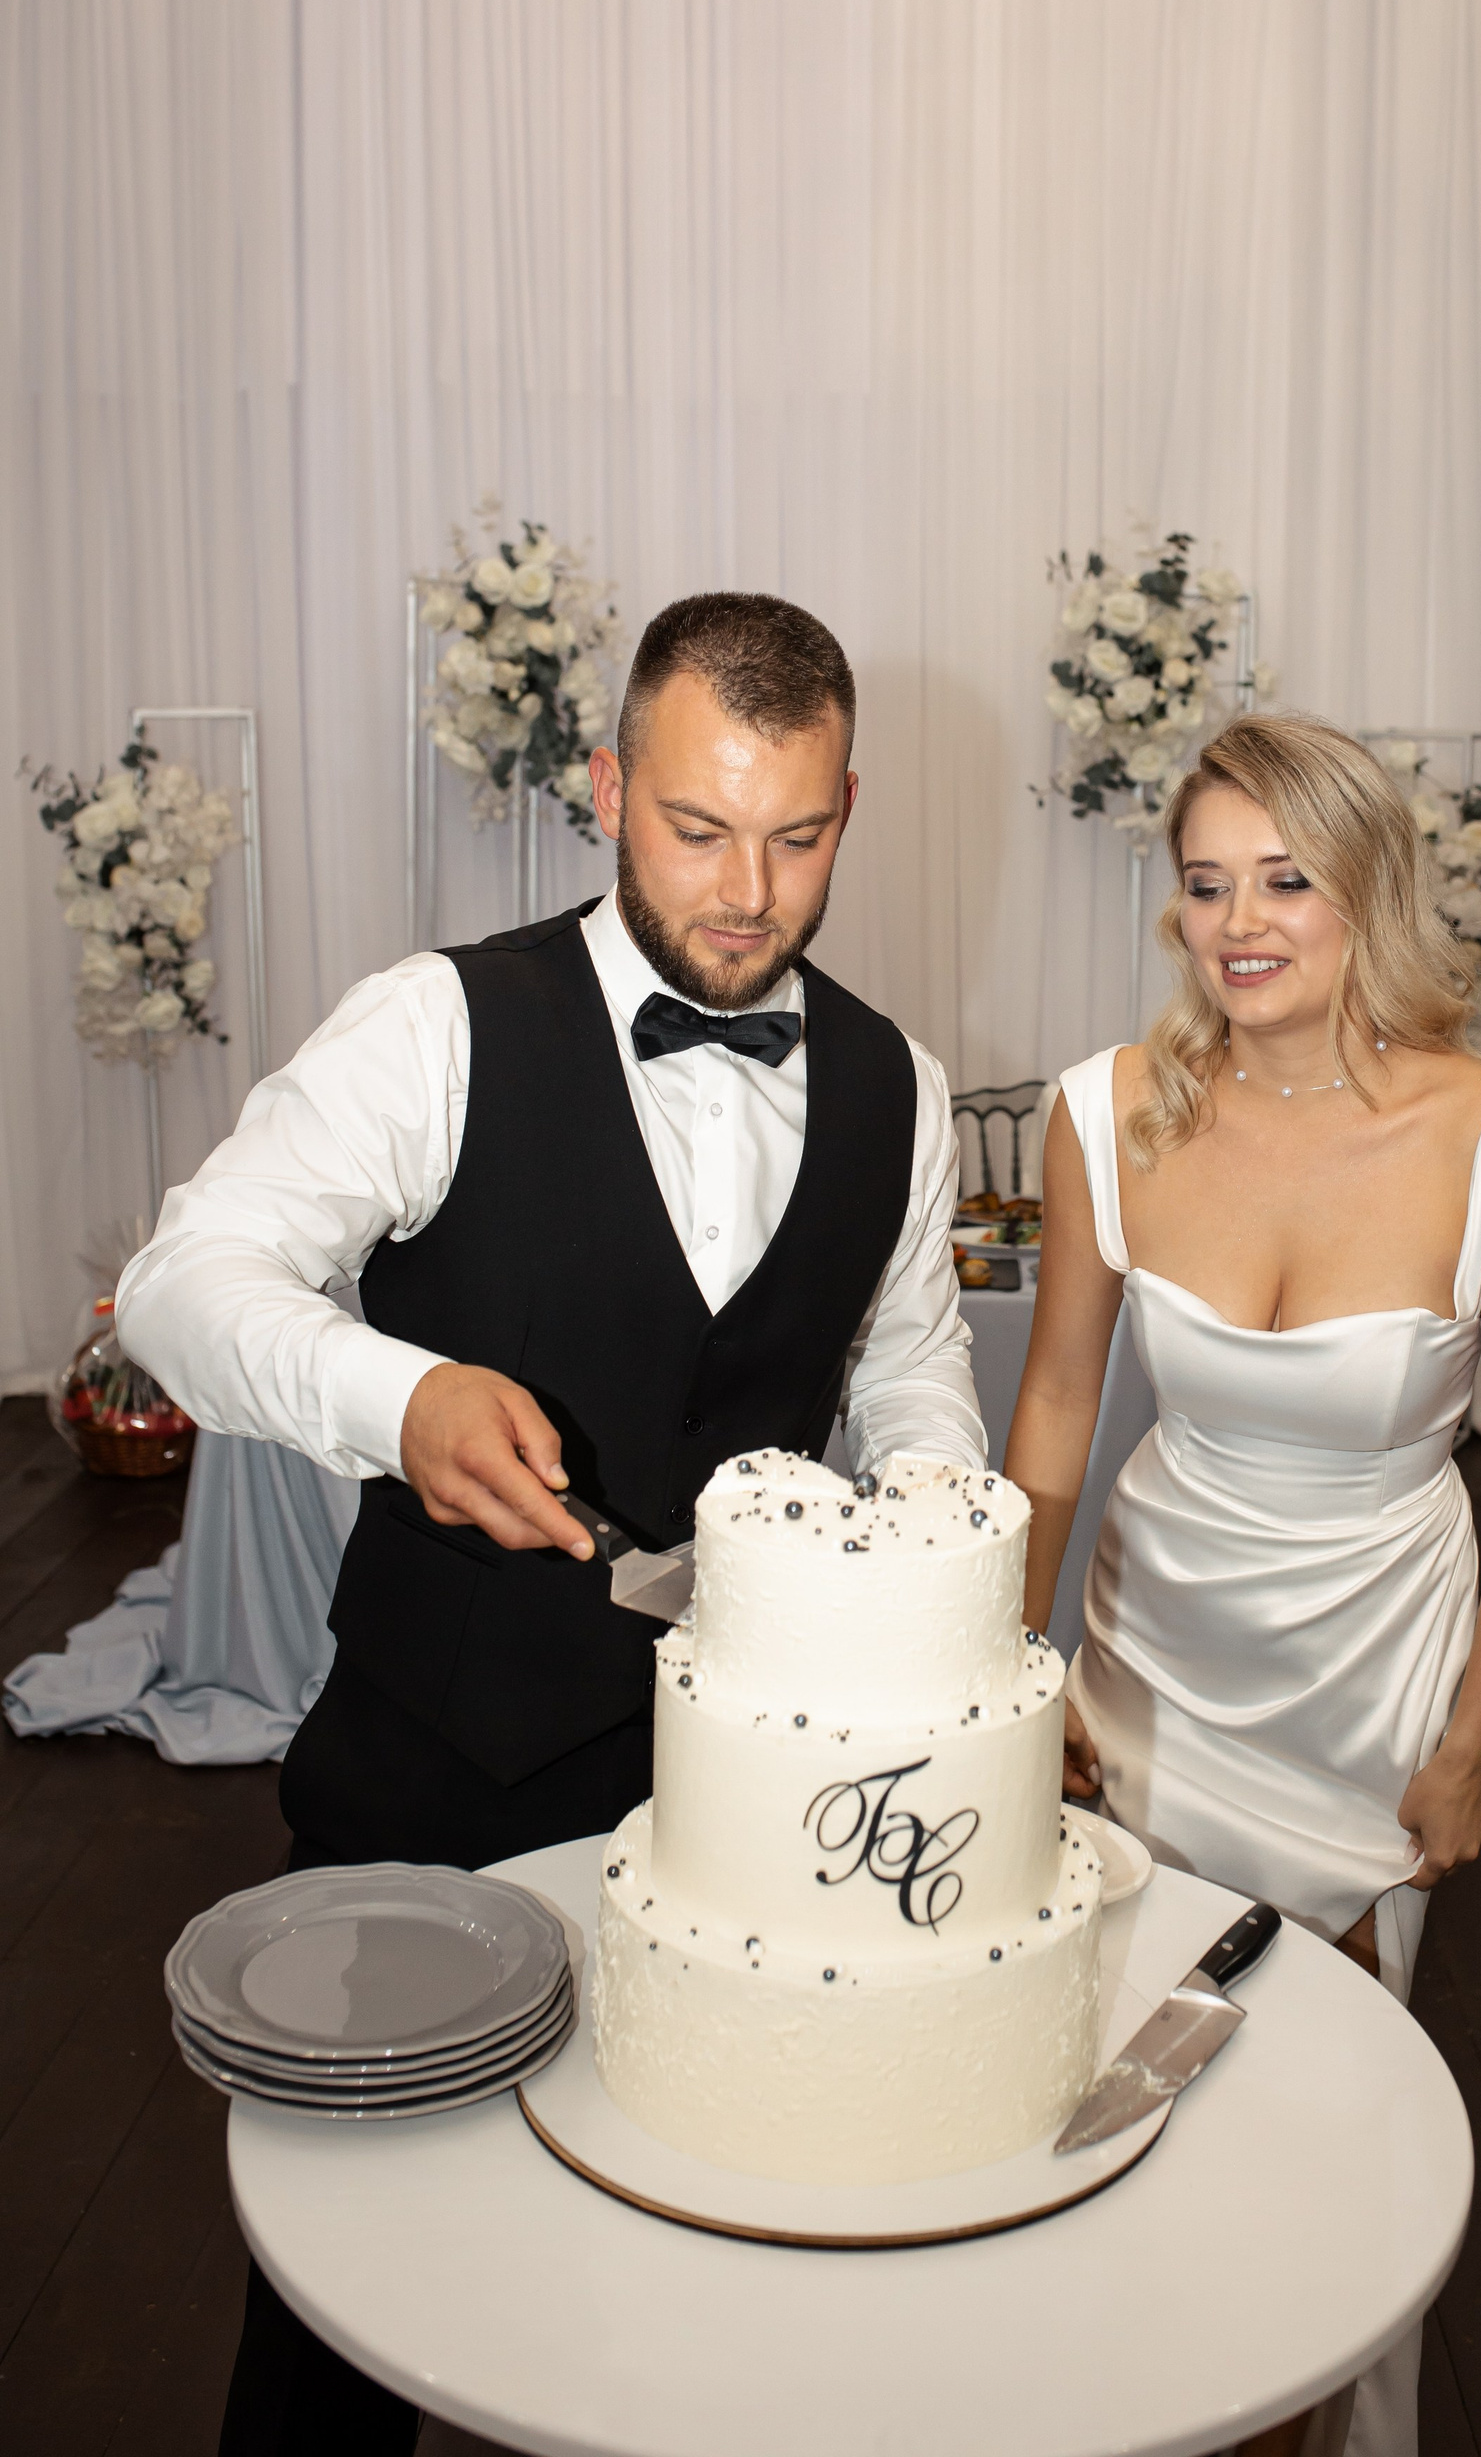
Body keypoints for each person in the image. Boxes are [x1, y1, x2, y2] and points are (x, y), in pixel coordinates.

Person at [119, 591, 987, 2457]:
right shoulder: (435, 1024)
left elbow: (912, 1370)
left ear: (850, 806)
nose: (748, 894)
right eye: (697, 828)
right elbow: (187, 1283)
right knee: (351, 2301)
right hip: (434, 1774)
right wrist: (398, 1398)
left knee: (688, 2270)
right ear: (604, 790)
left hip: (740, 1802)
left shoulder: (902, 1089)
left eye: (799, 836)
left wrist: (927, 1577)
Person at [1004, 713, 1481, 2457]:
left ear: (1368, 893)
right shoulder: (1107, 1112)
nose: (1239, 924)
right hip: (1150, 1654)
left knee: (1312, 2089)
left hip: (1371, 1675)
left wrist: (1471, 1745)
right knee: (1109, 2050)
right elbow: (1054, 1407)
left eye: (1285, 881)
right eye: (1205, 885)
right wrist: (1012, 1675)